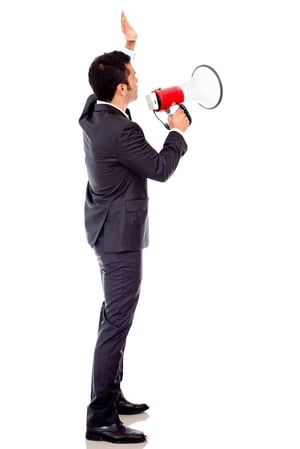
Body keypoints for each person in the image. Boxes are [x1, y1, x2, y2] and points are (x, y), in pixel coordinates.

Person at [79, 11, 190, 444]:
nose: (139, 78)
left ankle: (112, 393)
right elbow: (161, 168)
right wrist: (178, 132)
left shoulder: (93, 110)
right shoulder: (121, 133)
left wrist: (128, 46)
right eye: (133, 73)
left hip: (105, 230)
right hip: (120, 239)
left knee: (113, 316)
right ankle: (100, 419)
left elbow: (104, 84)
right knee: (117, 322)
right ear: (122, 88)